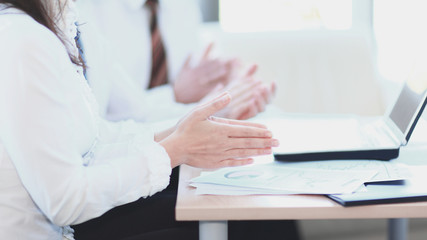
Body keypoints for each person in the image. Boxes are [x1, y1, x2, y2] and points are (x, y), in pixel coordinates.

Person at [0, 1, 279, 239]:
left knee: (251, 213)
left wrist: (182, 134)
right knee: (245, 223)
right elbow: (66, 201)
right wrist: (175, 149)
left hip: (74, 216)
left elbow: (100, 136)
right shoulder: (25, 40)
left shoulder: (58, 25)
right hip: (65, 224)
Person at [75, 0, 276, 123]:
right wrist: (175, 95)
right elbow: (109, 118)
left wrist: (229, 89)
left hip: (182, 146)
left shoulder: (182, 5)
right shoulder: (86, 13)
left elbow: (196, 79)